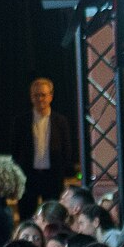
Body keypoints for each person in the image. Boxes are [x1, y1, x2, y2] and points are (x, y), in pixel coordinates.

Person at [24, 77, 76, 211]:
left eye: (43, 95)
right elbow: (15, 150)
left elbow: (67, 149)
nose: (40, 99)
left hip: (53, 178)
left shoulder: (61, 121)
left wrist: (62, 170)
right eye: (36, 95)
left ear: (51, 96)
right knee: (28, 214)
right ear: (31, 97)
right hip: (28, 178)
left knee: (52, 215)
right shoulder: (21, 122)